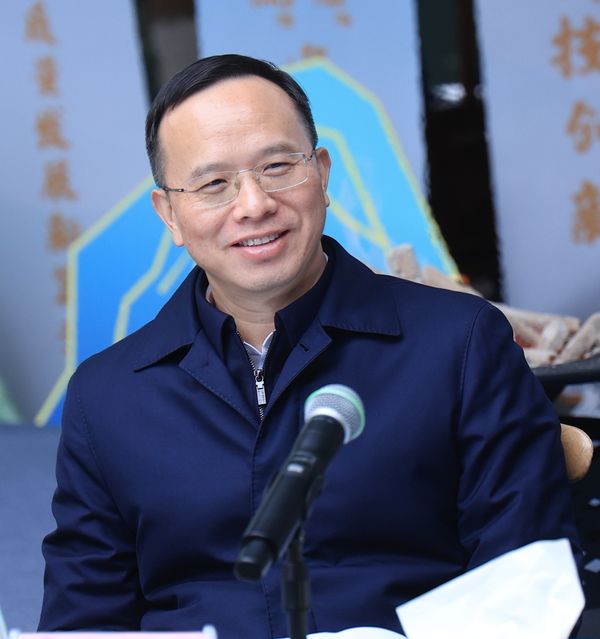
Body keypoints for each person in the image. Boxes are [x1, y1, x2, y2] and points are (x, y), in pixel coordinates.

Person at [39, 54, 581, 637]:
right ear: (169, 213)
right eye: (214, 183)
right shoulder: (109, 395)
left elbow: (524, 582)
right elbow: (84, 619)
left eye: (277, 166)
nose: (253, 205)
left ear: (321, 174)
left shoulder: (460, 344)